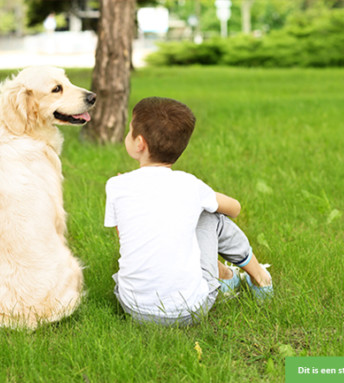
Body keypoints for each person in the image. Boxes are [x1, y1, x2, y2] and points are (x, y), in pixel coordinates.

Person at [104, 97, 273, 326]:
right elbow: (235, 209)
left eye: (129, 130)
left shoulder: (116, 186)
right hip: (190, 311)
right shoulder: (191, 186)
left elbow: (124, 237)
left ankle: (226, 275)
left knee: (187, 216)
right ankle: (258, 278)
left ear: (139, 143)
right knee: (210, 215)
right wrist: (205, 200)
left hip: (133, 309)